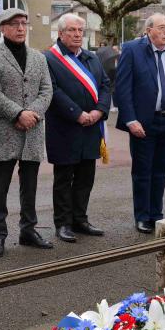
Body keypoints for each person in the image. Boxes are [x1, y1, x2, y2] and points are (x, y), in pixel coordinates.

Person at [0, 8, 53, 259]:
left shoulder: (38, 58)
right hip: (5, 128)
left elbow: (47, 90)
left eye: (24, 23)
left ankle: (28, 230)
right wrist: (17, 113)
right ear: (2, 29)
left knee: (30, 185)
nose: (21, 28)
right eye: (14, 24)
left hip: (32, 128)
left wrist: (32, 113)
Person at [114, 13, 165, 233]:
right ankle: (142, 216)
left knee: (162, 171)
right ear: (149, 31)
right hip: (143, 123)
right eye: (161, 28)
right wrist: (130, 119)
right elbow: (122, 88)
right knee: (142, 172)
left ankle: (156, 214)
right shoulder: (132, 50)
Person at [44, 14, 111, 243]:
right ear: (61, 33)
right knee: (64, 179)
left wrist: (99, 111)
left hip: (91, 127)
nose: (77, 35)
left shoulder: (92, 58)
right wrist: (78, 114)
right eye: (71, 30)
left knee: (85, 177)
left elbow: (105, 86)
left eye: (80, 31)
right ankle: (62, 223)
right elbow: (53, 91)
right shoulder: (50, 59)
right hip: (65, 128)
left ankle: (80, 219)